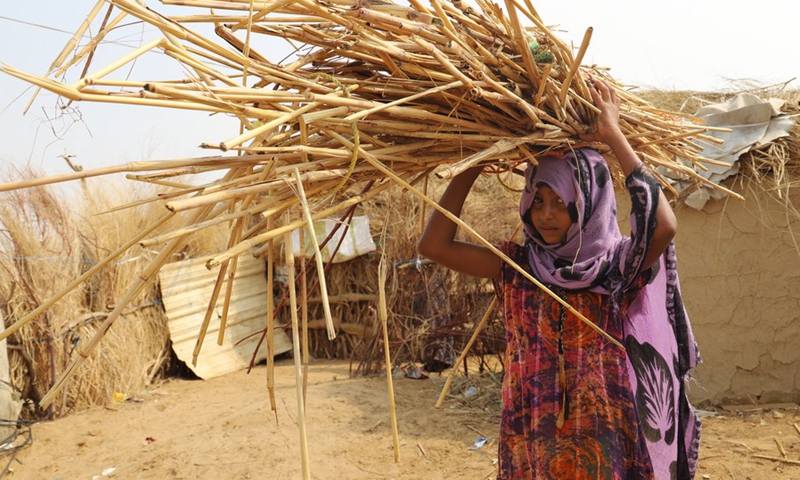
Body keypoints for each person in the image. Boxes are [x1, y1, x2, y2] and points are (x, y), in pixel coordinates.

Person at [418, 78, 701, 479]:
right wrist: (476, 161)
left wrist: (614, 136)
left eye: (560, 204)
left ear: (588, 202)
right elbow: (435, 245)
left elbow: (664, 227)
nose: (546, 215)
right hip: (532, 431)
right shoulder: (520, 268)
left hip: (606, 436)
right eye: (538, 202)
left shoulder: (617, 267)